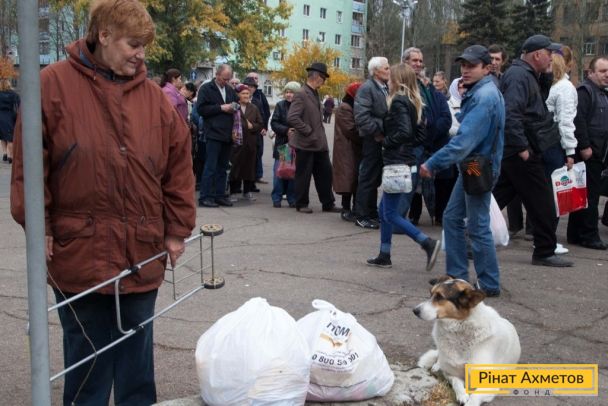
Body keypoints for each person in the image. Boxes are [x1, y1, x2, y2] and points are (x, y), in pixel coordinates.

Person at [10, 1, 196, 404]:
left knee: (136, 365)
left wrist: (177, 229)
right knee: (89, 364)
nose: (141, 54)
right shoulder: (51, 85)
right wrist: (39, 226)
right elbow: (29, 167)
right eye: (133, 44)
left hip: (142, 250)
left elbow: (179, 168)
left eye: (144, 46)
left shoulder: (155, 100)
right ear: (105, 36)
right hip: (79, 250)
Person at [420, 45, 504, 297]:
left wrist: (432, 163)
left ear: (486, 68)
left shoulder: (484, 97)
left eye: (472, 66)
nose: (465, 70)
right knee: (452, 218)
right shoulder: (481, 91)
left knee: (477, 226)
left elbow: (464, 142)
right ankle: (457, 277)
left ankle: (489, 284)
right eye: (463, 65)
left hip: (478, 166)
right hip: (473, 165)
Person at [493, 34, 573, 267]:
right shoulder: (519, 76)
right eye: (549, 54)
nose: (552, 58)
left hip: (520, 149)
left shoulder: (527, 75)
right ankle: (544, 250)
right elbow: (512, 114)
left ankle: (468, 239)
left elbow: (535, 105)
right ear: (537, 54)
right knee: (543, 202)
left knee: (496, 198)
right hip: (522, 151)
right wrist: (522, 148)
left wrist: (546, 77)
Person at [367, 63, 440, 271]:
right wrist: (406, 147)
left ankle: (427, 243)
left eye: (391, 76)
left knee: (390, 213)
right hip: (405, 160)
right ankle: (384, 254)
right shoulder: (414, 101)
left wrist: (386, 141)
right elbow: (420, 135)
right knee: (384, 211)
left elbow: (405, 132)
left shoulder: (398, 101)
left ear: (398, 80)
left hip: (396, 162)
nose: (388, 79)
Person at [402, 47, 452, 226]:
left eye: (420, 61)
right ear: (405, 62)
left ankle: (439, 215)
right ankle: (400, 218)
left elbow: (445, 118)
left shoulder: (430, 90)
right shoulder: (402, 85)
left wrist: (431, 129)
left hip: (434, 143)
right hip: (413, 144)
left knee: (439, 180)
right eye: (414, 60)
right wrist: (425, 127)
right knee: (410, 184)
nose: (418, 64)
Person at [287, 62, 339, 214]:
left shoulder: (315, 93)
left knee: (325, 173)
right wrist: (308, 131)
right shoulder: (301, 93)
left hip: (319, 144)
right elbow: (292, 117)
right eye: (324, 78)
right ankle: (301, 203)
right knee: (303, 175)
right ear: (317, 77)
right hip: (305, 143)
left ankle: (328, 203)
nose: (324, 81)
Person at [567, 56, 608, 250]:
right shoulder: (585, 92)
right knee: (589, 196)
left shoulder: (601, 92)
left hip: (597, 152)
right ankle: (589, 235)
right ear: (590, 73)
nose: (606, 75)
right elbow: (578, 120)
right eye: (602, 71)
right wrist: (584, 147)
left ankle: (576, 234)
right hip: (588, 152)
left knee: (582, 194)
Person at [353, 56, 390, 229]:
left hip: (381, 139)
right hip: (372, 139)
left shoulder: (384, 87)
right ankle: (361, 215)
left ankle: (371, 213)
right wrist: (377, 132)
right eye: (386, 68)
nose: (389, 71)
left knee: (374, 179)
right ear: (375, 71)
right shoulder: (367, 88)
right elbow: (361, 117)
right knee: (367, 178)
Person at [197, 64, 239, 208]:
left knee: (223, 167)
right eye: (224, 79)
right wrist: (221, 108)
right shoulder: (206, 88)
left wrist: (233, 107)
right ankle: (205, 196)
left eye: (228, 79)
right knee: (211, 166)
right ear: (217, 75)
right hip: (213, 133)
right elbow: (201, 109)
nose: (226, 82)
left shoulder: (229, 89)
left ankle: (220, 195)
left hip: (227, 133)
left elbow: (237, 103)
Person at [332, 82, 363, 222]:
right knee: (348, 179)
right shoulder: (345, 108)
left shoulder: (350, 106)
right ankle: (346, 209)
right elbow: (350, 129)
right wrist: (365, 135)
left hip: (351, 148)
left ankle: (355, 208)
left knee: (353, 179)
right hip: (346, 149)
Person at [228, 84, 264, 202]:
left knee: (249, 167)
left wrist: (252, 126)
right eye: (243, 93)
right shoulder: (234, 107)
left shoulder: (254, 108)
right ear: (238, 95)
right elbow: (228, 122)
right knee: (236, 167)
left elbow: (260, 124)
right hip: (236, 143)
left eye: (247, 93)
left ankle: (247, 191)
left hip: (250, 143)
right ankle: (233, 192)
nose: (246, 96)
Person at [270, 81, 300, 208]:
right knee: (280, 172)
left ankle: (292, 199)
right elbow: (274, 123)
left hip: (297, 145)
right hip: (284, 145)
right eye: (287, 92)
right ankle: (276, 198)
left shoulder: (301, 106)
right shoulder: (280, 105)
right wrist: (286, 130)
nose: (289, 95)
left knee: (293, 173)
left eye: (292, 92)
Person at [246, 72, 271, 184]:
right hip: (243, 132)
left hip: (257, 131)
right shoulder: (239, 97)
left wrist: (264, 127)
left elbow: (265, 113)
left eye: (256, 78)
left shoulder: (260, 96)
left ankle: (256, 177)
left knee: (257, 153)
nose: (250, 88)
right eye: (252, 78)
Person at [0, 79, 19, 164]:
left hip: (0, 116)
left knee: (2, 136)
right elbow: (19, 104)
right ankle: (10, 156)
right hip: (9, 116)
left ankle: (4, 154)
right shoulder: (13, 94)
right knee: (10, 138)